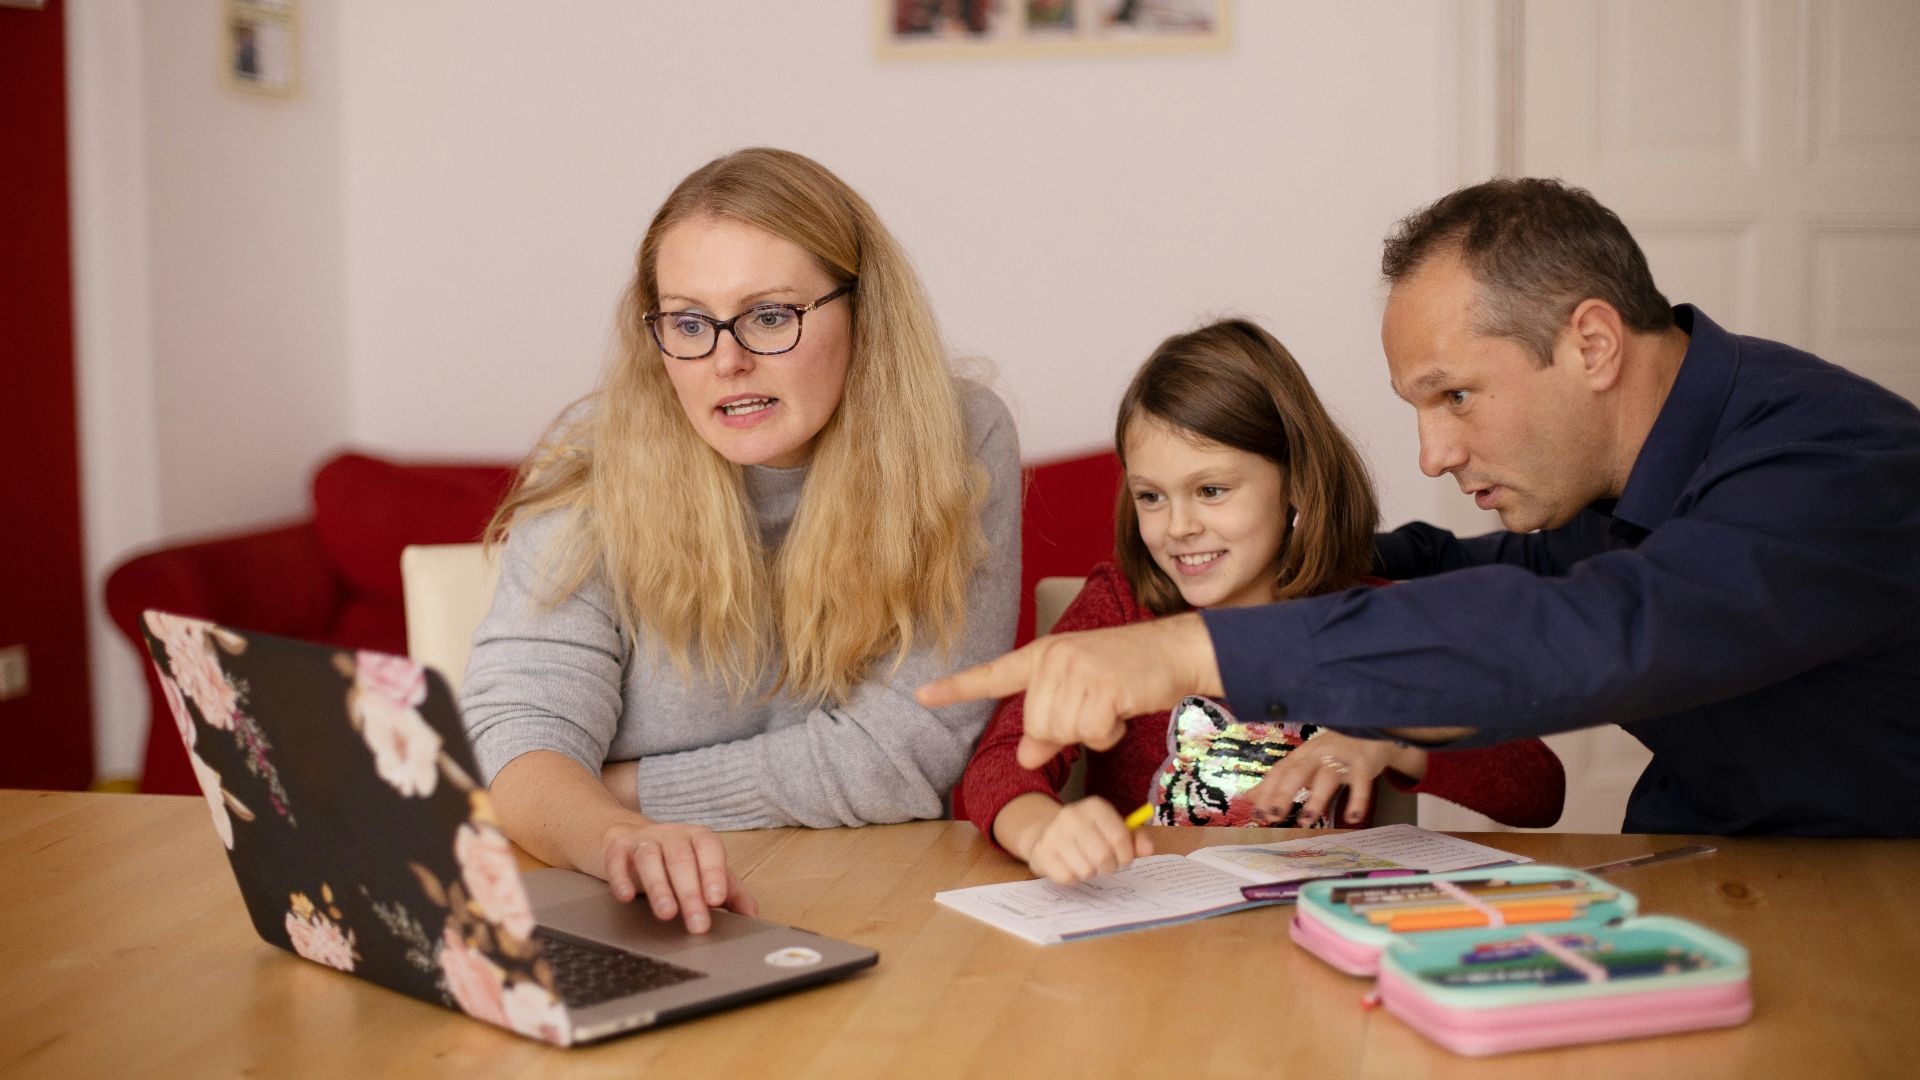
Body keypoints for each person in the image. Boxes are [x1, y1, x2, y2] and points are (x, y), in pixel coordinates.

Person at [922, 177, 1920, 838]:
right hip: (1707, 869)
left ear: (1593, 345)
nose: (1435, 454)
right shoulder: (1605, 485)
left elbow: (1604, 629)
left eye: (1456, 396)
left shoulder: (1832, 466)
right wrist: (1277, 568)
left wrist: (1192, 651)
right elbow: (1462, 575)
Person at [463, 148, 1021, 932]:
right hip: (627, 906)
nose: (726, 360)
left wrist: (615, 788)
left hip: (877, 904)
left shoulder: (958, 437)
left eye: (769, 316)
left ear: (864, 312)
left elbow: (909, 756)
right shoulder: (596, 462)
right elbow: (517, 739)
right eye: (689, 322)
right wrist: (615, 834)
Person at [956, 320, 1564, 884]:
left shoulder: (1369, 622)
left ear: (1296, 481)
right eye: (1151, 496)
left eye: (1211, 489)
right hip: (1151, 950)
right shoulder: (1119, 607)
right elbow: (999, 763)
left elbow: (1539, 788)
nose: (1179, 526)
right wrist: (1044, 830)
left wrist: (1396, 737)